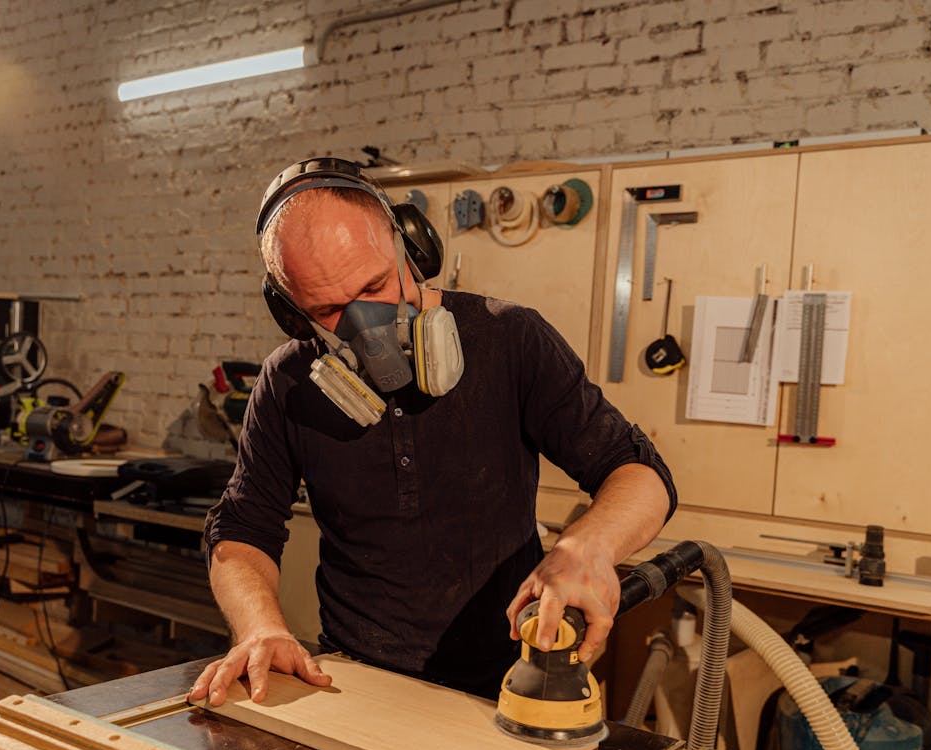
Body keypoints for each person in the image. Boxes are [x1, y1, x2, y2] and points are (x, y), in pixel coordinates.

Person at [189, 158, 676, 706]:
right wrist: (259, 626)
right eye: (328, 309)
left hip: (509, 678)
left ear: (412, 249)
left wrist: (587, 547)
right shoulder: (289, 383)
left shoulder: (510, 340)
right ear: (291, 312)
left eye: (375, 283)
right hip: (356, 680)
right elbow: (242, 526)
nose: (364, 323)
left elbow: (639, 473)